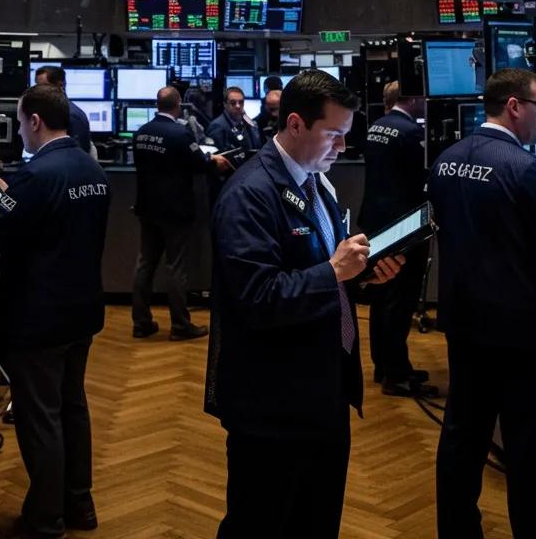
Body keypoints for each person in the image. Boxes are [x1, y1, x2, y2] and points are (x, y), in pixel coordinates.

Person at [205, 70, 404, 539]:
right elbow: (258, 298)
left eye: (345, 136)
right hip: (271, 402)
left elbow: (321, 275)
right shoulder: (248, 195)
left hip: (323, 390)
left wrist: (361, 277)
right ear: (295, 124)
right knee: (261, 524)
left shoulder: (319, 184)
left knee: (316, 522)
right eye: (333, 135)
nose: (341, 147)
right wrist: (334, 271)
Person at [428, 68, 536, 539]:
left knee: (462, 441)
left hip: (466, 327)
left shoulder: (446, 159)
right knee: (529, 452)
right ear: (514, 106)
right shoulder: (528, 169)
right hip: (524, 336)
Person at [0, 84, 110, 539]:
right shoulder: (90, 167)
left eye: (21, 122)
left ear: (35, 121)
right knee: (72, 407)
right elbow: (46, 220)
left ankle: (44, 520)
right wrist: (10, 194)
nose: (21, 130)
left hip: (39, 315)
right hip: (82, 310)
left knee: (40, 416)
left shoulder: (37, 176)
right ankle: (80, 504)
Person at [131, 86, 231, 341]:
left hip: (147, 208)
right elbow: (201, 164)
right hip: (175, 210)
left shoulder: (141, 133)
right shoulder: (180, 133)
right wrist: (216, 162)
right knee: (176, 267)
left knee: (145, 264)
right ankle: (180, 325)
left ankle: (141, 322)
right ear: (178, 105)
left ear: (157, 104)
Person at [359, 81, 436, 397]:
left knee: (382, 298)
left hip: (376, 223)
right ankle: (396, 374)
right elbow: (424, 179)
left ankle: (385, 366)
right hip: (405, 228)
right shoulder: (411, 133)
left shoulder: (376, 126)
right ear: (411, 99)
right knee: (399, 301)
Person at [35, 65, 92, 154]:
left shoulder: (71, 116)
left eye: (44, 86)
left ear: (60, 86)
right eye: (37, 87)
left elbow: (77, 156)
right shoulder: (51, 112)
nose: (39, 92)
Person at [207, 86, 262, 161]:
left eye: (241, 102)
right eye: (233, 103)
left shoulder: (245, 121)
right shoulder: (217, 126)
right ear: (225, 104)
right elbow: (220, 158)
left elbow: (257, 145)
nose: (238, 106)